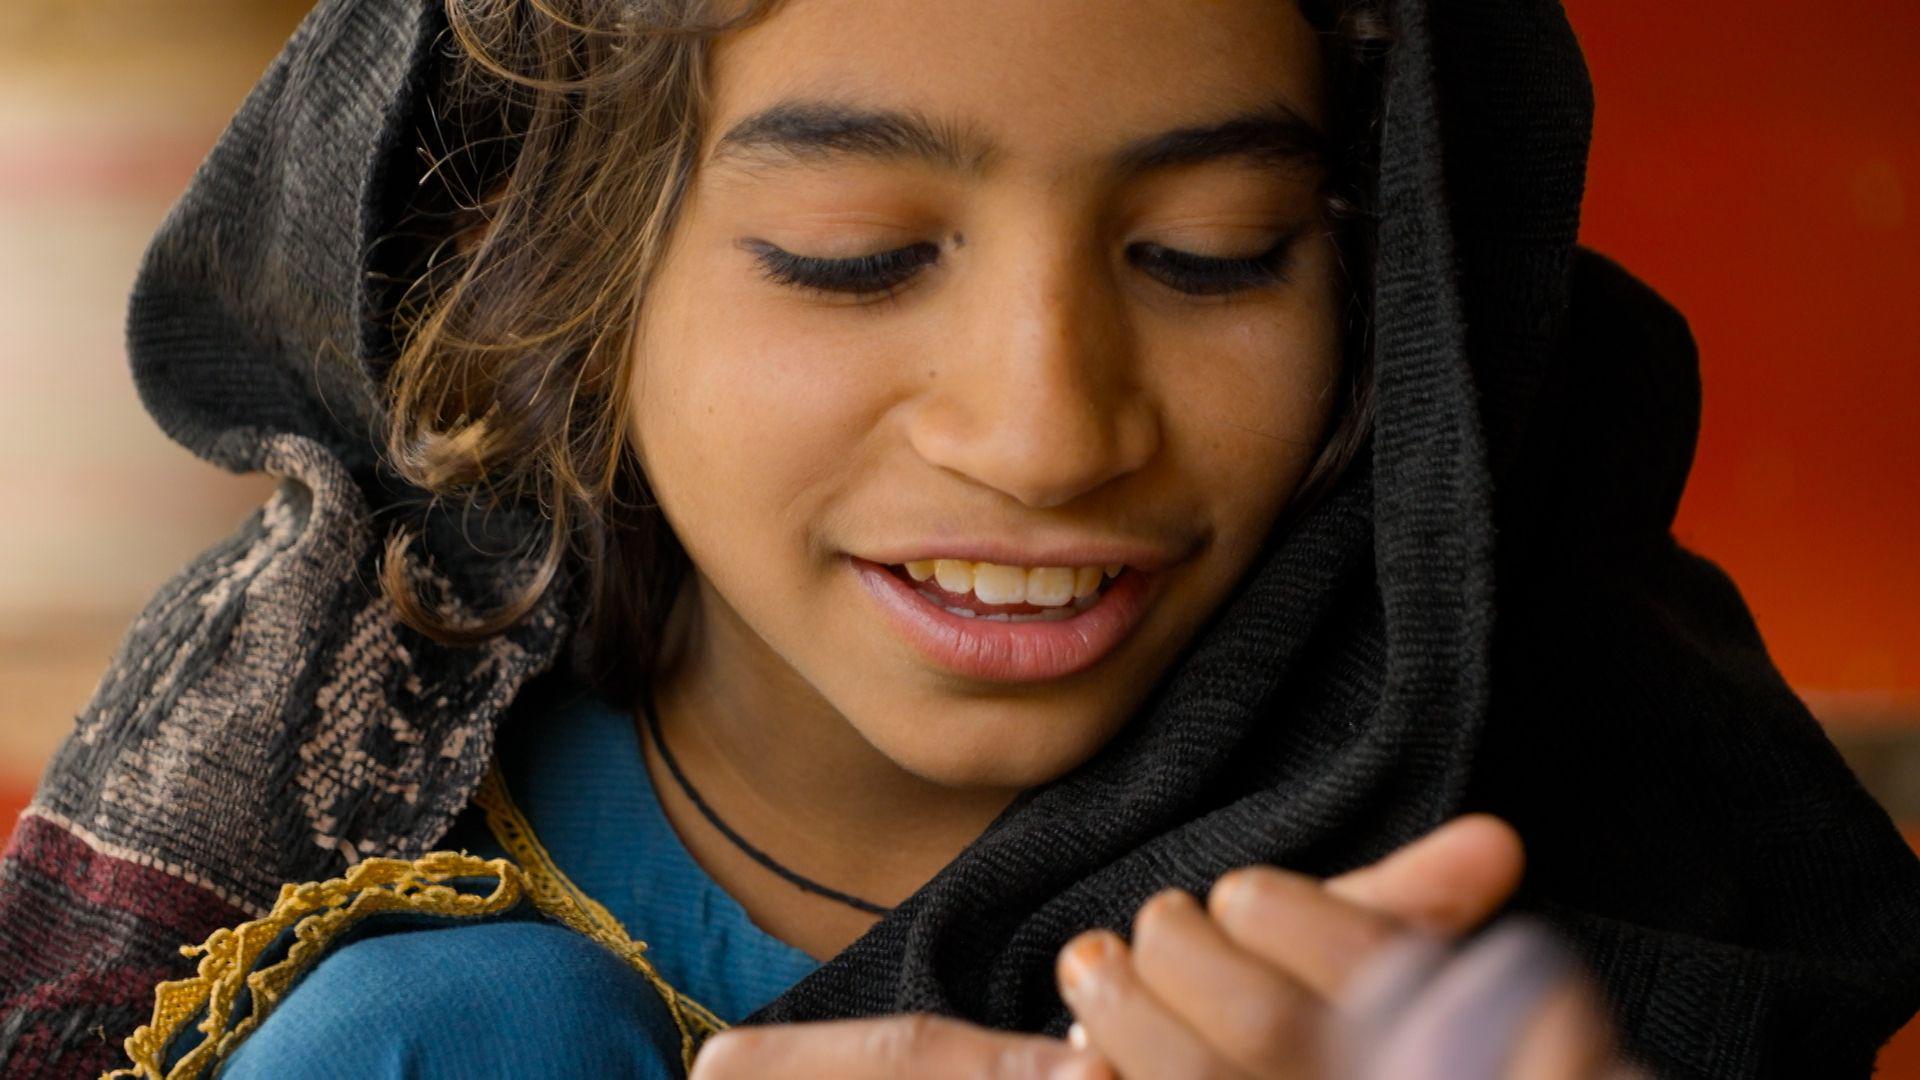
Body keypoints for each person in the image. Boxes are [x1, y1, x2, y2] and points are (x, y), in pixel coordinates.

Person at [1, 0, 1916, 1077]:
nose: (1047, 431)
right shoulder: (326, 865)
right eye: (855, 256)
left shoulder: (1605, 877)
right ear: (563, 283)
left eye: (1211, 255)